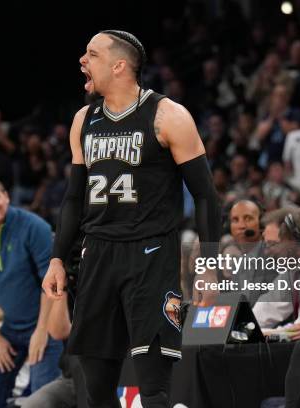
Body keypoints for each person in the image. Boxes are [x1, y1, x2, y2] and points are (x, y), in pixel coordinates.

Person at [42, 30, 221, 408]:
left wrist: (208, 263)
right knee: (96, 389)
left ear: (119, 65)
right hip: (97, 254)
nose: (82, 60)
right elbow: (74, 198)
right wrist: (58, 257)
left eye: (91, 54)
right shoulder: (83, 119)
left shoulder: (168, 116)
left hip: (152, 254)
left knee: (154, 389)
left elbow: (205, 195)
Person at [0, 177, 63, 407]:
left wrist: (41, 331)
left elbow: (49, 282)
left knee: (41, 400)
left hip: (44, 324)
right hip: (10, 329)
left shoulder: (34, 226)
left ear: (7, 197)